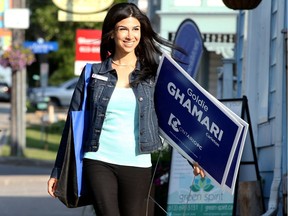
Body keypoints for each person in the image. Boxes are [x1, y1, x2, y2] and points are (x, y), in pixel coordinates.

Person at [47, 2, 204, 216]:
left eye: (135, 29)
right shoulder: (92, 73)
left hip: (137, 162)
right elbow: (73, 124)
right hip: (99, 159)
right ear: (112, 33)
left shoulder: (153, 75)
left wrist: (193, 156)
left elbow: (173, 120)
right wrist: (58, 170)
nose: (130, 35)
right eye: (123, 29)